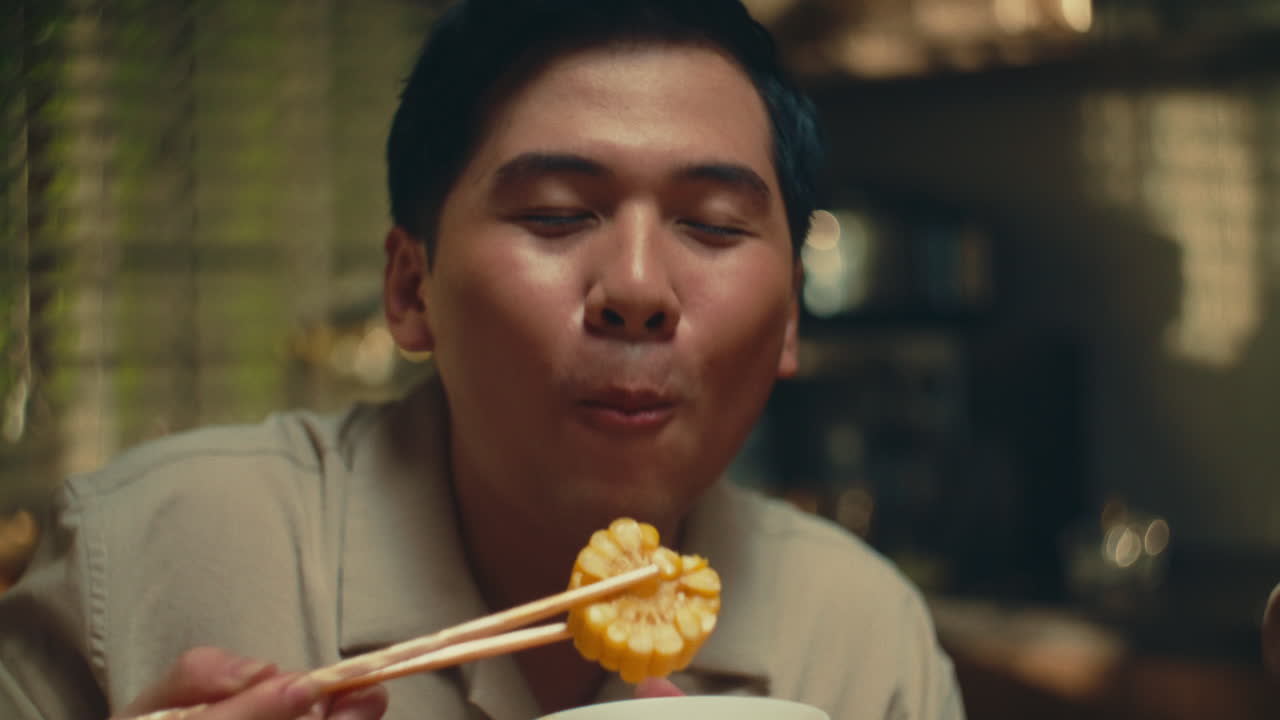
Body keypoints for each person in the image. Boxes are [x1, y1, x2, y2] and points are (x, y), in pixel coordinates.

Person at [0, 1, 965, 718]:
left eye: (711, 226)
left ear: (791, 316)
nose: (636, 286)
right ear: (411, 287)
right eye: (553, 213)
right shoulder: (146, 564)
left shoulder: (863, 642)